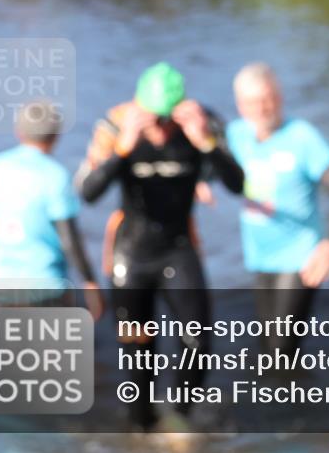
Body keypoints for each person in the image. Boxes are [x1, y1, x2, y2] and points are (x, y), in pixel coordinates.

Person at [74, 62, 243, 432]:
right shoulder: (116, 126)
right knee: (138, 353)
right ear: (139, 106)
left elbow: (237, 183)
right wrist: (122, 150)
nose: (162, 130)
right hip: (130, 254)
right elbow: (87, 192)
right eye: (155, 120)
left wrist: (205, 144)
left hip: (178, 248)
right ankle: (143, 427)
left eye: (168, 120)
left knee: (198, 340)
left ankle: (180, 418)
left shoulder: (201, 122)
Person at [227, 63, 329, 355]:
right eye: (252, 102)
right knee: (265, 348)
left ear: (280, 96)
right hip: (259, 255)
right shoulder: (236, 136)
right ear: (240, 105)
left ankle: (299, 398)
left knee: (281, 350)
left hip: (300, 256)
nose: (262, 109)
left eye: (267, 98)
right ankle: (278, 398)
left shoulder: (302, 137)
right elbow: (214, 169)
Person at [0, 100, 103, 318]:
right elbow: (69, 238)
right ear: (56, 136)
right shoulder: (55, 176)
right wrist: (90, 283)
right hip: (47, 285)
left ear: (19, 132)